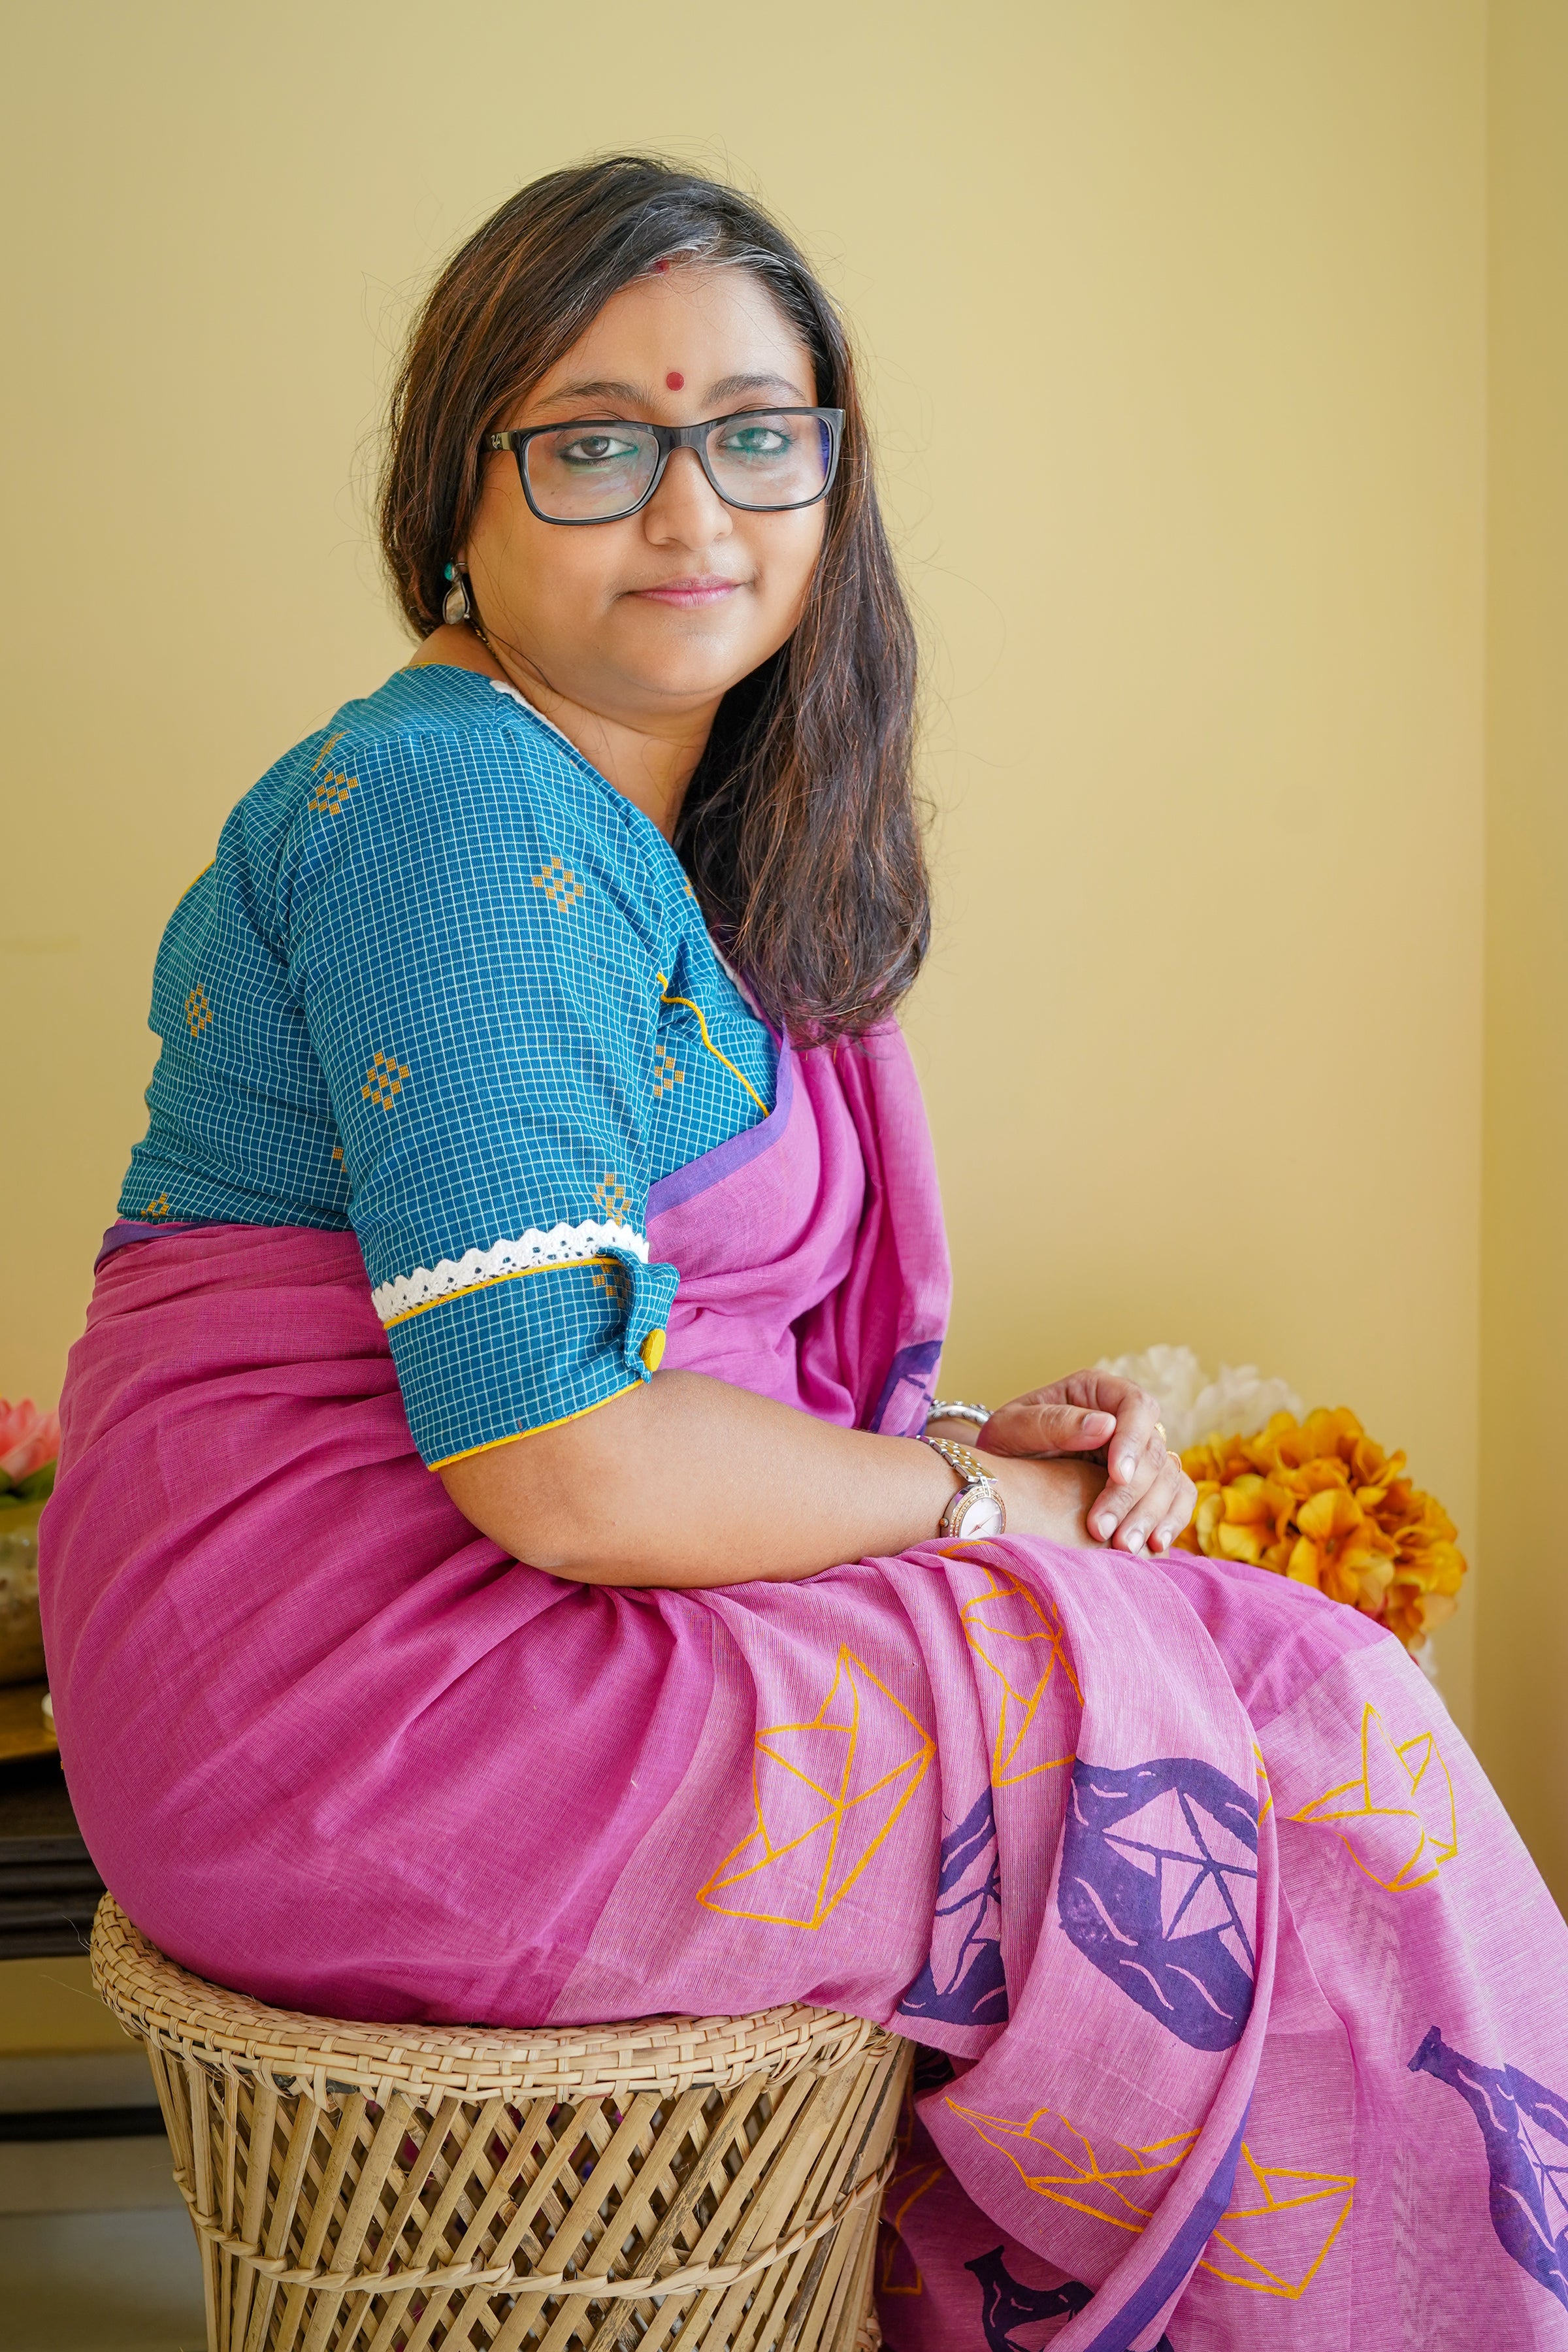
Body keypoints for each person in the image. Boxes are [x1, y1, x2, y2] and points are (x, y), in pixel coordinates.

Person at [42, 161, 1568, 2350]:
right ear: (454, 490)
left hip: (468, 1625)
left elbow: (644, 1374)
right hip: (365, 1706)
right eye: (596, 443)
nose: (695, 512)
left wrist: (977, 1449)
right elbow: (564, 1459)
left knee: (1215, 1654)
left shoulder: (650, 832)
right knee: (1292, 1707)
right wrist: (982, 1501)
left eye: (759, 435)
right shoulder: (453, 803)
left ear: (832, 477)